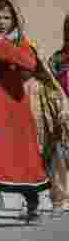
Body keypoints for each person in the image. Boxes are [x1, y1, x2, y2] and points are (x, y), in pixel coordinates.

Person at [0, 0, 50, 224]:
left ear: (13, 20)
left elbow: (30, 63)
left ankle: (33, 206)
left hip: (16, 107)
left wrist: (1, 46)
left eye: (5, 17)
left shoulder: (20, 42)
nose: (0, 22)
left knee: (23, 157)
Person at [47, 14, 69, 218]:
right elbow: (49, 86)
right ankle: (59, 200)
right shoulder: (58, 59)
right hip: (63, 114)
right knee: (59, 157)